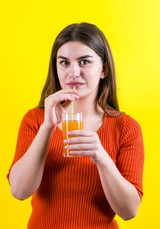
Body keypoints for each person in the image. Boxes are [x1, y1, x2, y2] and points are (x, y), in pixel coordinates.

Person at [7, 22, 144, 229]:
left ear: (103, 70)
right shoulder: (35, 120)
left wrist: (101, 157)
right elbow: (19, 191)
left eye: (84, 62)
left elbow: (129, 211)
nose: (73, 72)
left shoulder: (126, 128)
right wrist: (47, 128)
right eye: (64, 63)